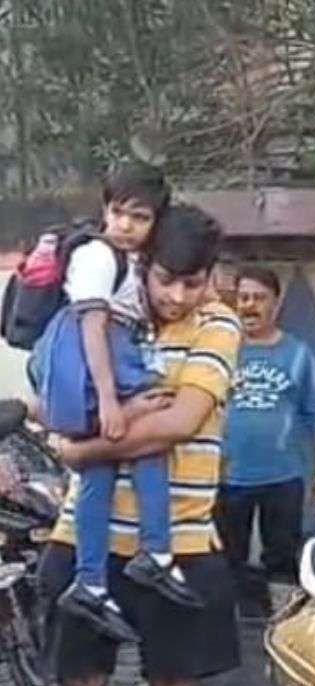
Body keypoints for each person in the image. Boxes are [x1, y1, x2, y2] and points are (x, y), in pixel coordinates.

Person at [37, 204, 243, 686]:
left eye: (194, 282)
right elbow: (53, 397)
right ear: (143, 266)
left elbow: (179, 422)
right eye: (167, 280)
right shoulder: (99, 310)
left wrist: (79, 450)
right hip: (83, 540)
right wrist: (81, 427)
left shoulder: (219, 325)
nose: (179, 296)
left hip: (182, 542)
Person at [29, 162, 198, 645]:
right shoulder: (99, 256)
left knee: (99, 473)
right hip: (99, 358)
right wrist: (110, 398)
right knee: (153, 429)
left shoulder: (126, 260)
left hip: (99, 358)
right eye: (118, 212)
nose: (125, 225)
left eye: (139, 217)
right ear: (105, 209)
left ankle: (92, 581)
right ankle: (157, 551)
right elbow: (93, 326)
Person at [215, 265, 315, 619]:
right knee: (226, 557)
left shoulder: (298, 354)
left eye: (259, 298)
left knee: (281, 559)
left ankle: (282, 628)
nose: (250, 306)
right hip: (227, 477)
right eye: (243, 297)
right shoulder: (220, 350)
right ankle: (230, 634)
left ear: (276, 304)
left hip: (283, 475)